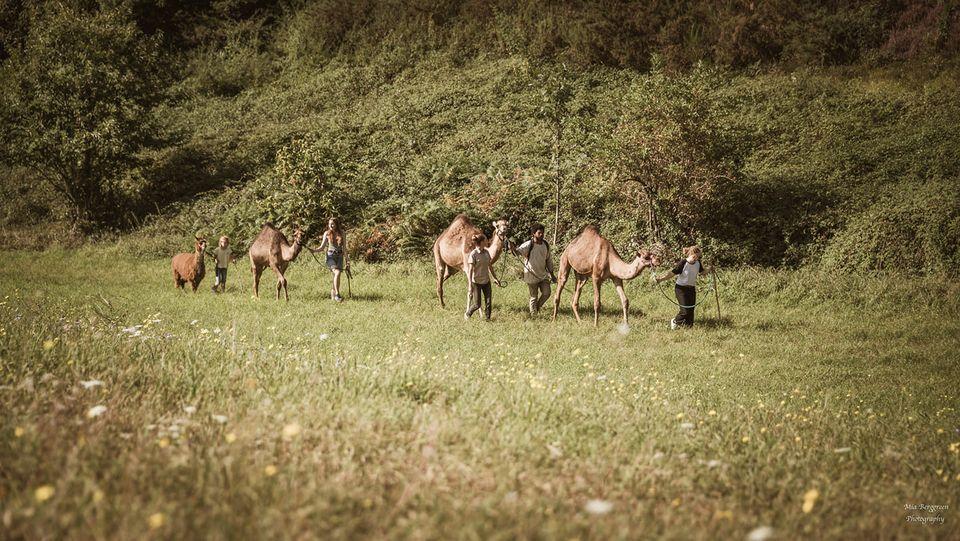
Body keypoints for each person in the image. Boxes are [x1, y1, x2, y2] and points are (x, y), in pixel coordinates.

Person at [652, 245, 712, 329]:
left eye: (698, 257)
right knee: (685, 310)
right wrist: (661, 279)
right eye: (696, 256)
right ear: (691, 254)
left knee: (691, 310)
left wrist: (709, 269)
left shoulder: (698, 263)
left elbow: (702, 272)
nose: (697, 258)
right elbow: (672, 273)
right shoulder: (683, 263)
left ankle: (688, 327)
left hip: (691, 289)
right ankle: (675, 321)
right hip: (681, 289)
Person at [516, 223, 556, 315]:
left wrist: (552, 275)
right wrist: (511, 246)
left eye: (542, 233)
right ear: (533, 234)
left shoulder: (545, 245)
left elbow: (548, 260)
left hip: (543, 275)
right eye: (539, 233)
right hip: (531, 275)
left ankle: (537, 307)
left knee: (547, 293)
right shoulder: (528, 245)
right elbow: (517, 253)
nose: (541, 235)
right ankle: (534, 315)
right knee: (534, 296)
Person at [465, 233, 502, 321]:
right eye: (485, 240)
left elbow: (490, 266)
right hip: (476, 282)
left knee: (488, 302)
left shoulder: (486, 252)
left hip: (486, 281)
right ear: (481, 242)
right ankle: (468, 313)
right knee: (477, 305)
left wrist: (495, 278)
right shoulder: (473, 254)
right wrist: (470, 284)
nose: (487, 241)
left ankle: (487, 319)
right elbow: (470, 271)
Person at [317, 217, 349, 302]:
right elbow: (322, 247)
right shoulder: (327, 233)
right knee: (337, 272)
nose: (331, 225)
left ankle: (333, 293)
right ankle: (337, 295)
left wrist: (347, 261)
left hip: (339, 257)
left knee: (336, 276)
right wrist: (313, 250)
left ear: (336, 224)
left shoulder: (342, 233)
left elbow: (345, 248)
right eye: (329, 224)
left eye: (333, 224)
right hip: (330, 256)